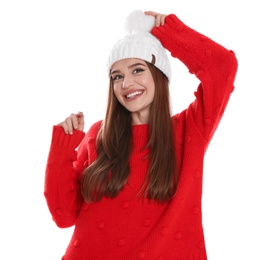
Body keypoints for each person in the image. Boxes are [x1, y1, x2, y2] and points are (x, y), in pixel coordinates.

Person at [44, 9, 238, 260]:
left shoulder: (189, 129)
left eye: (137, 70)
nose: (126, 84)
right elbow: (63, 216)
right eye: (117, 77)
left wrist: (169, 33)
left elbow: (222, 66)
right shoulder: (98, 135)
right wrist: (62, 151)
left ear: (159, 76)